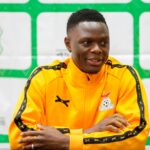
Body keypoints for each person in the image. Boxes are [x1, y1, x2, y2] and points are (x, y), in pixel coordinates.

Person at [9, 9, 149, 150]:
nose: (97, 49)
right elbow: (19, 136)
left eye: (103, 43)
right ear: (68, 44)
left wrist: (66, 142)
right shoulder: (44, 77)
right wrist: (89, 132)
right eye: (87, 42)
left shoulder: (125, 76)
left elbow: (135, 138)